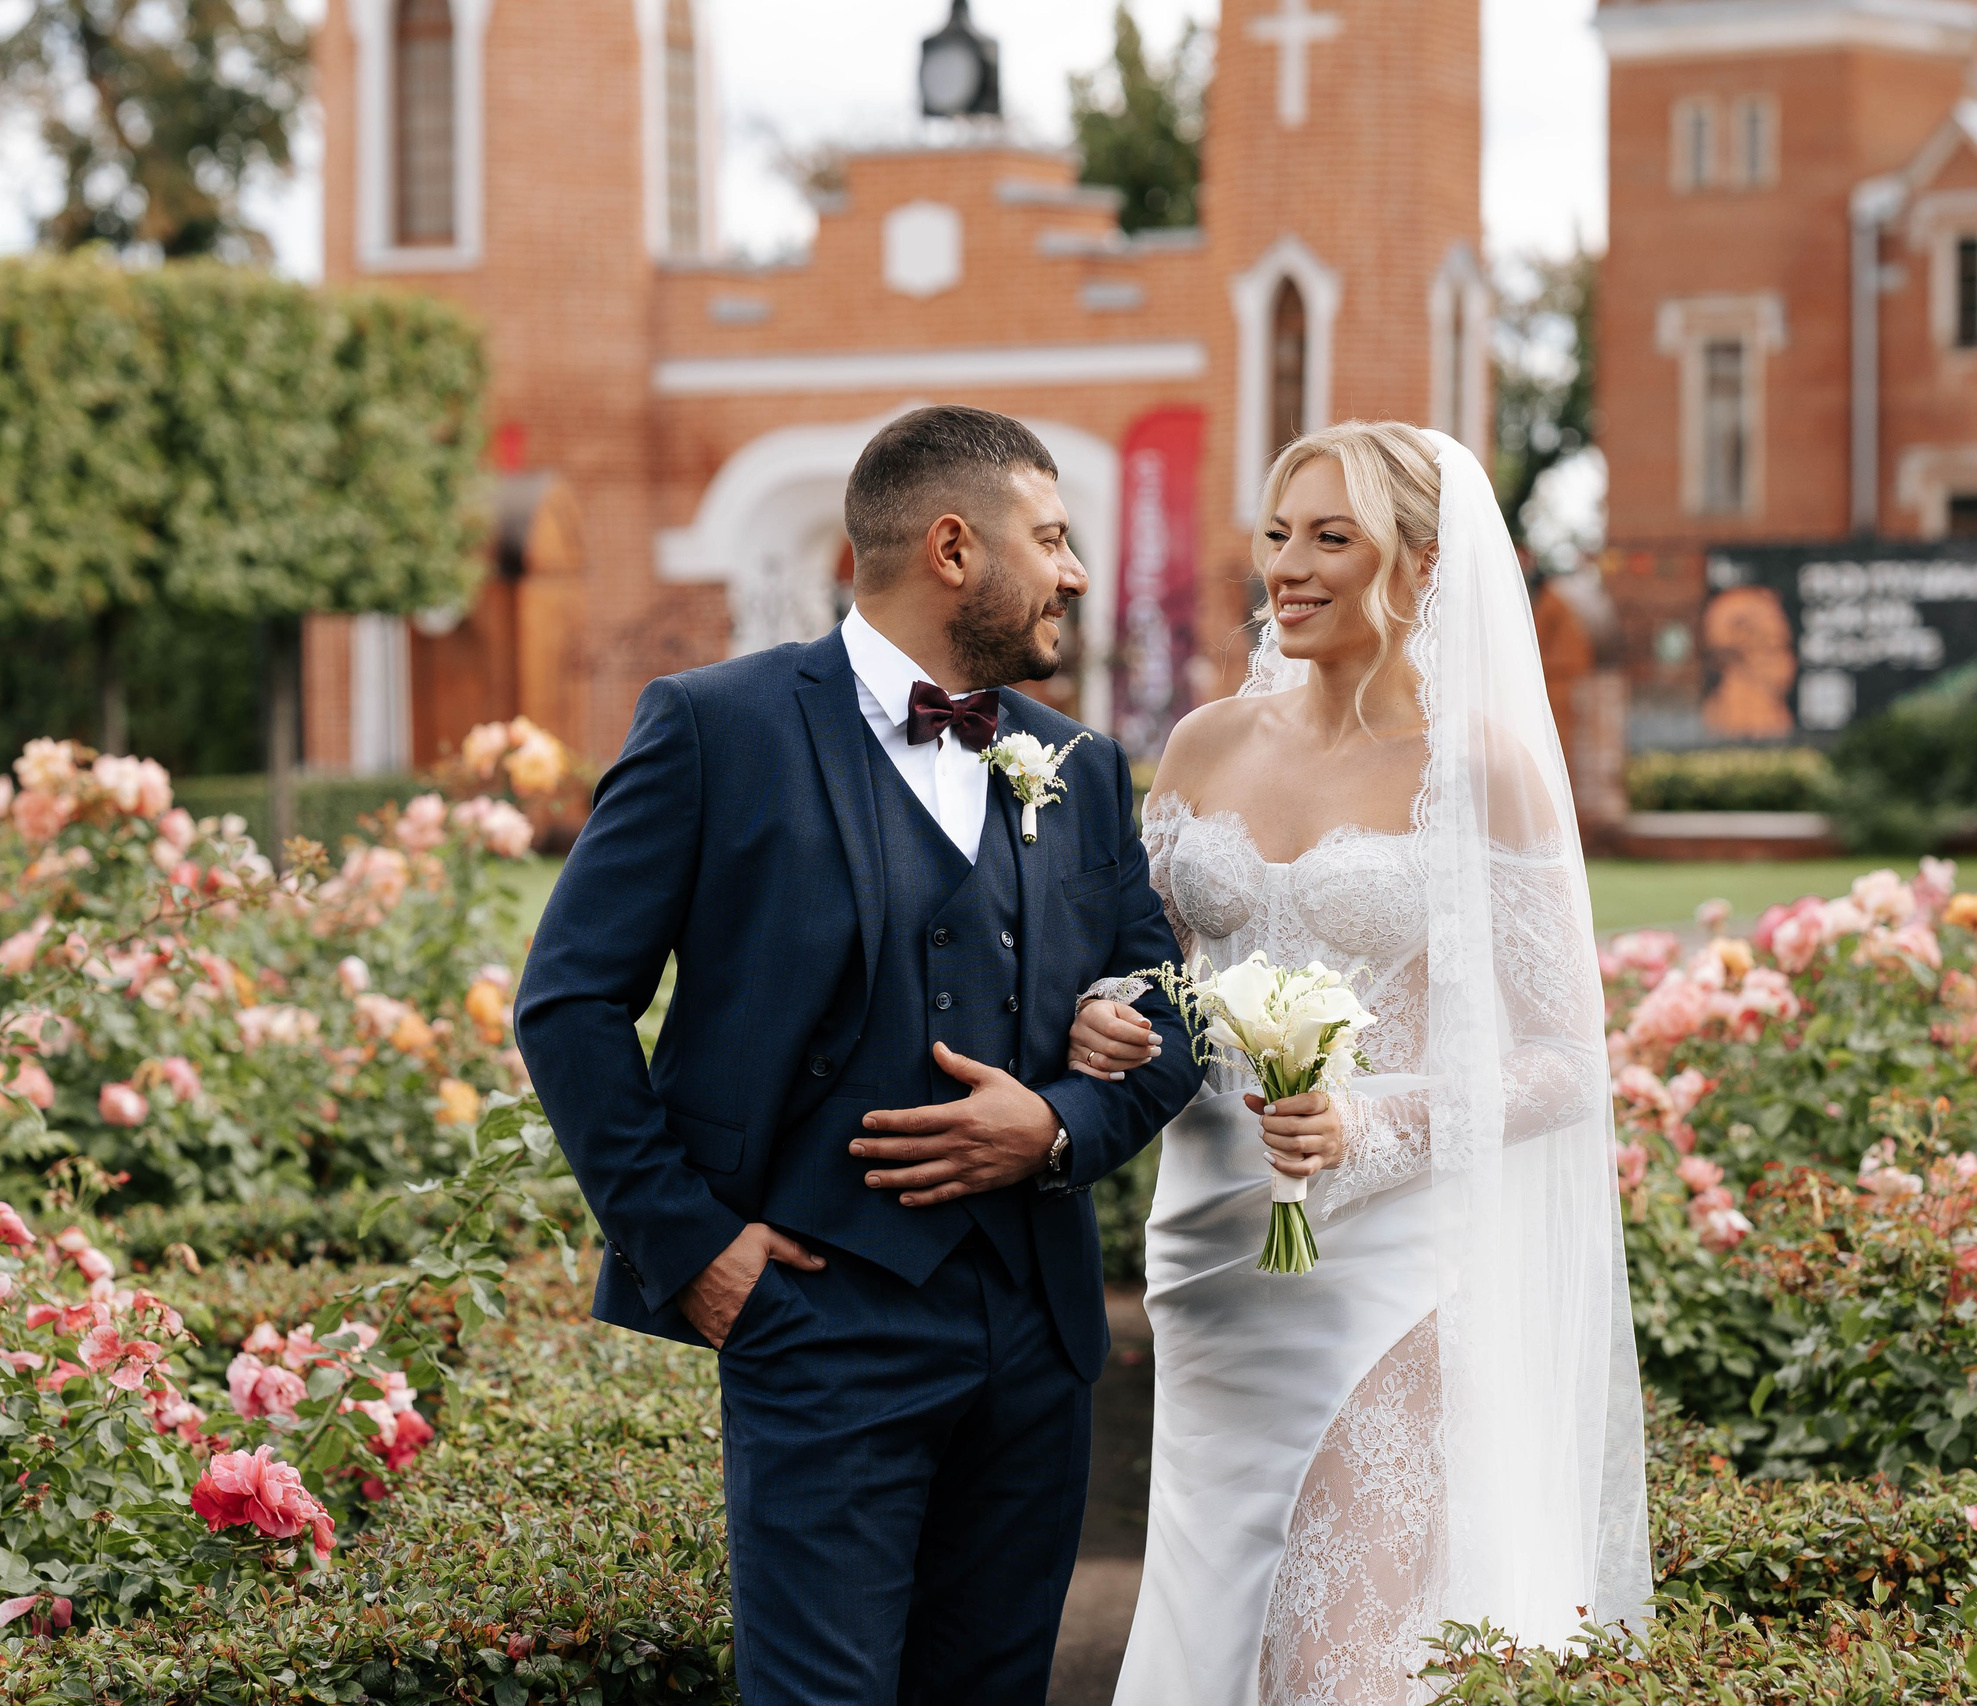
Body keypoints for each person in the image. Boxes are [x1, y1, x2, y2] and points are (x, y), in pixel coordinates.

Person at [515, 405, 1203, 1706]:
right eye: (1052, 538)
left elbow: (1173, 1009)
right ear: (952, 547)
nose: (1075, 572)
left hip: (1037, 1335)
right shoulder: (716, 727)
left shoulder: (1081, 764)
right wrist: (693, 1250)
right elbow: (569, 1001)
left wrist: (1059, 1124)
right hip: (816, 1318)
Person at [1069, 422, 1650, 1704]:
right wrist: (1105, 1016)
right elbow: (1148, 971)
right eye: (1279, 533)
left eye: (1332, 536)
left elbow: (1565, 1056)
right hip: (1214, 1248)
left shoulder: (1480, 769)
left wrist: (1372, 1121)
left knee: (1342, 1656)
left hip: (1387, 1257)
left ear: (1423, 562)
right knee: (1214, 1617)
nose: (1289, 565)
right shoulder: (1204, 744)